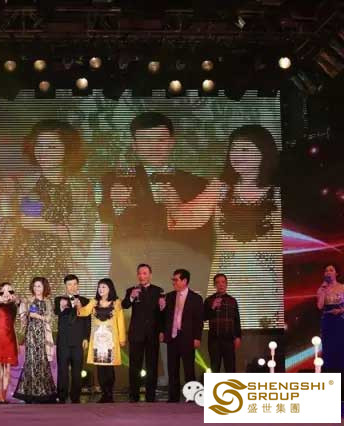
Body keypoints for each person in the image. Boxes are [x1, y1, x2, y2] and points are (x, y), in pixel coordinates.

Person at [168, 124, 282, 329]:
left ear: (264, 152)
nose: (237, 155)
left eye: (245, 149)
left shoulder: (278, 191)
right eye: (234, 149)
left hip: (267, 283)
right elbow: (189, 218)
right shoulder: (219, 188)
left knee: (265, 329)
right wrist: (169, 196)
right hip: (227, 277)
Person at [99, 112, 211, 292]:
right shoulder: (114, 179)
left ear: (172, 142)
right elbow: (104, 217)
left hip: (178, 282)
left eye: (160, 140)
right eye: (146, 141)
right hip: (129, 279)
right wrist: (117, 204)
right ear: (135, 145)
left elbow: (204, 241)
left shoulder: (196, 185)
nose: (154, 147)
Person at [0, 120, 98, 297]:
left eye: (52, 146)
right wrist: (59, 229)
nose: (43, 152)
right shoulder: (28, 184)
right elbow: (27, 220)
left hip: (62, 262)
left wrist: (64, 235)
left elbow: (86, 228)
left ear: (67, 149)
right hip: (25, 261)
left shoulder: (80, 186)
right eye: (40, 145)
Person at [77, 278, 126, 403]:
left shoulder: (116, 303)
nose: (100, 289)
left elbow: (120, 321)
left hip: (110, 340)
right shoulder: (94, 302)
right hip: (98, 341)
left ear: (110, 289)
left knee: (109, 368)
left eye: (103, 287)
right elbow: (83, 312)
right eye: (99, 287)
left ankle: (109, 393)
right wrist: (78, 305)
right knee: (100, 367)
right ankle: (104, 393)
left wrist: (122, 339)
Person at [121, 263, 165, 402]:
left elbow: (161, 314)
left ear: (150, 275)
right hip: (136, 334)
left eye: (145, 273)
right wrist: (131, 297)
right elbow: (124, 305)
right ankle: (133, 395)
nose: (142, 276)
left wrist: (162, 330)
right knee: (134, 365)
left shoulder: (158, 291)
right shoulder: (132, 290)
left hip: (152, 333)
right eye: (139, 273)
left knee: (152, 365)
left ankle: (150, 395)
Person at [160, 269, 204, 403]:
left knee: (189, 369)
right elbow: (163, 317)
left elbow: (199, 320)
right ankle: (173, 397)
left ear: (184, 281)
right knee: (172, 369)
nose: (173, 282)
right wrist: (162, 331)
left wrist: (197, 337)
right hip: (172, 337)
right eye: (173, 280)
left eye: (176, 280)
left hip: (188, 338)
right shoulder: (169, 296)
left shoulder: (196, 298)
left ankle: (191, 397)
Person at [13, 277, 57, 403]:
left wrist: (37, 316)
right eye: (35, 286)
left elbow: (49, 318)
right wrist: (20, 304)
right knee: (31, 361)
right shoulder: (28, 300)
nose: (37, 288)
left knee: (43, 361)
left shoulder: (48, 302)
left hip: (44, 335)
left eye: (39, 286)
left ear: (44, 287)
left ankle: (44, 393)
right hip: (31, 335)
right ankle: (29, 393)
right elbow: (23, 315)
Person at [54, 274, 90, 404]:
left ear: (78, 285)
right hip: (63, 341)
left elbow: (87, 321)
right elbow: (57, 311)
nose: (72, 287)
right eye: (69, 284)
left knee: (77, 370)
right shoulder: (59, 299)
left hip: (78, 340)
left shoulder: (85, 301)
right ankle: (62, 396)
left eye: (74, 284)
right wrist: (63, 306)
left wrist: (86, 337)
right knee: (62, 370)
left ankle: (76, 396)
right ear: (65, 286)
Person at [204, 273, 241, 373]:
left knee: (230, 368)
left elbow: (237, 320)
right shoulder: (209, 300)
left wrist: (238, 337)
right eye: (218, 282)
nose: (221, 285)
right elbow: (204, 317)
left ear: (226, 284)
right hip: (214, 340)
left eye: (223, 282)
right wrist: (212, 307)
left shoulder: (232, 301)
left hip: (229, 339)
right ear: (214, 285)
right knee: (215, 367)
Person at [316, 264, 344, 374]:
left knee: (340, 346)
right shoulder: (321, 289)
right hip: (327, 322)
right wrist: (323, 289)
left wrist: (341, 310)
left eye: (331, 270)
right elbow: (320, 306)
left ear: (336, 273)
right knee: (328, 348)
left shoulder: (342, 287)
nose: (328, 272)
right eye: (326, 270)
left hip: (340, 321)